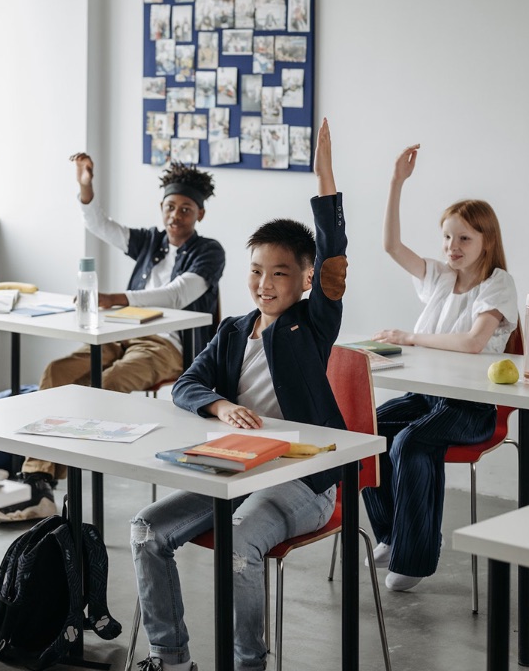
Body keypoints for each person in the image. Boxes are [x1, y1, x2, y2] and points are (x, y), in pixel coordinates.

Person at [130, 118, 345, 671]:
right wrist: (221, 405)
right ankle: (170, 657)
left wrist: (325, 178)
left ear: (303, 280)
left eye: (280, 273)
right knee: (146, 531)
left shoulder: (311, 326)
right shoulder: (232, 331)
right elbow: (186, 384)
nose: (265, 284)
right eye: (256, 272)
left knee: (239, 543)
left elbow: (334, 257)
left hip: (303, 477)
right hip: (235, 468)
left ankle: (248, 662)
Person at [0, 155, 225, 523]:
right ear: (161, 209)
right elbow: (100, 224)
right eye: (170, 207)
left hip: (168, 346)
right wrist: (85, 185)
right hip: (121, 333)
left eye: (186, 209)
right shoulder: (150, 242)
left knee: (106, 383)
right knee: (59, 371)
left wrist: (117, 298)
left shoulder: (209, 251)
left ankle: (39, 481)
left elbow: (178, 294)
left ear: (200, 215)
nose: (176, 215)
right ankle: (39, 480)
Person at [362, 144, 518, 592]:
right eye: (447, 237)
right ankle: (393, 535)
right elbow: (391, 245)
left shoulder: (498, 285)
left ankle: (413, 559)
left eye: (465, 238)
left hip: (473, 406)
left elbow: (472, 343)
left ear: (487, 241)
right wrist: (396, 183)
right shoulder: (439, 277)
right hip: (428, 395)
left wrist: (410, 338)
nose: (452, 247)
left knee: (411, 442)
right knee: (366, 431)